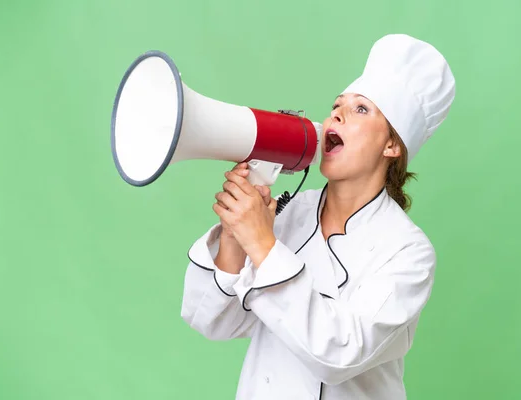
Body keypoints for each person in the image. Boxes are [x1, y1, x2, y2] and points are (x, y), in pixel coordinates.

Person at [180, 33, 455, 400]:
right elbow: (211, 321)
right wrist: (235, 236)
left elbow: (339, 354)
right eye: (337, 105)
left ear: (392, 145)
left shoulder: (408, 252)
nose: (336, 114)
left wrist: (262, 244)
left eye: (361, 109)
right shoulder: (288, 212)